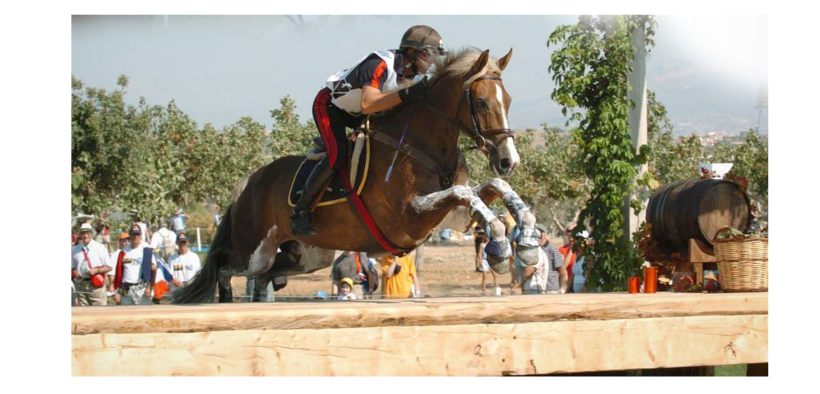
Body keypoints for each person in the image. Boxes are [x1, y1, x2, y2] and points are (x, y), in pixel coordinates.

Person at [290, 25, 446, 235]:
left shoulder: (413, 75)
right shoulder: (379, 64)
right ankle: (300, 211)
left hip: (360, 114)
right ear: (411, 52)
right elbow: (367, 104)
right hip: (331, 108)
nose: (432, 62)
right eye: (429, 55)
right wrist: (408, 93)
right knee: (338, 154)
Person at [113, 224, 156, 305]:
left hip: (141, 289)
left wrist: (149, 288)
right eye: (133, 234)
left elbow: (153, 269)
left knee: (143, 312)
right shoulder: (123, 252)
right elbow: (119, 273)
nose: (136, 236)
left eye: (137, 234)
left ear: (141, 236)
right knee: (126, 313)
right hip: (127, 290)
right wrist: (117, 291)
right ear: (130, 235)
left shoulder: (146, 250)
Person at [72, 223, 114, 306]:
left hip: (96, 284)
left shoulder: (100, 248)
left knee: (99, 310)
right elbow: (72, 267)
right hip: (81, 284)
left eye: (88, 233)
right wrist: (75, 272)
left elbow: (109, 267)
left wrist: (96, 270)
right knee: (83, 311)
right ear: (80, 234)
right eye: (83, 233)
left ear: (91, 234)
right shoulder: (75, 249)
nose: (85, 236)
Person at [537, 224, 568, 294]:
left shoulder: (552, 250)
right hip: (537, 288)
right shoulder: (534, 250)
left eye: (540, 232)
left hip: (551, 289)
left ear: (545, 234)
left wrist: (562, 289)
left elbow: (562, 271)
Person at [107, 232, 131, 305]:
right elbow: (111, 273)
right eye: (124, 241)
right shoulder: (115, 255)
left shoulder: (130, 252)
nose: (127, 243)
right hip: (119, 287)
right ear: (120, 241)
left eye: (129, 241)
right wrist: (115, 291)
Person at [475, 227, 499, 295]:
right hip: (484, 260)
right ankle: (484, 289)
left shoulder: (491, 244)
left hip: (490, 260)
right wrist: (480, 261)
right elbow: (479, 253)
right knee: (484, 276)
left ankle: (497, 287)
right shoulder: (482, 245)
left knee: (494, 275)